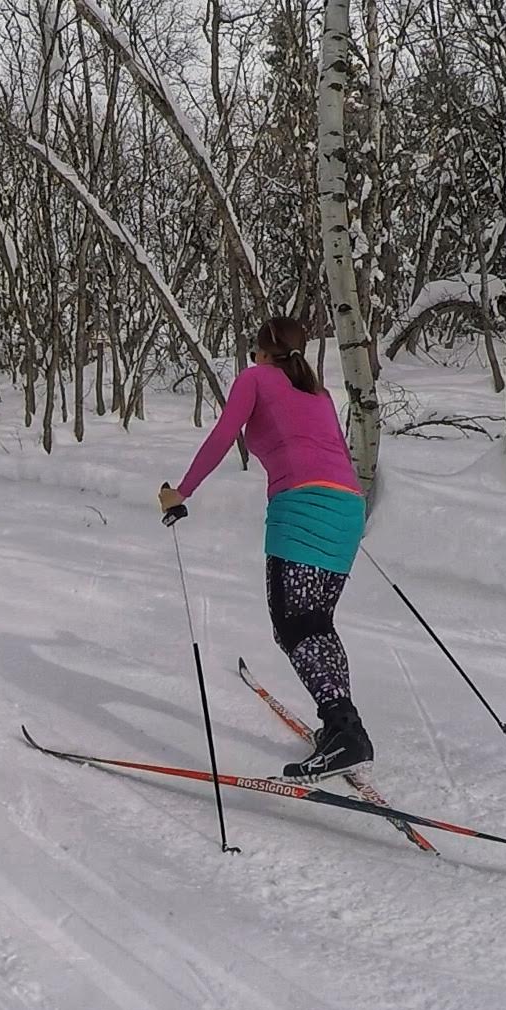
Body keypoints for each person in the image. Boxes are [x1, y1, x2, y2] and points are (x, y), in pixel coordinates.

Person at [158, 316, 372, 781]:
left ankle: (345, 731)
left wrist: (182, 492)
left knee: (294, 626)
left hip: (301, 509)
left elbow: (222, 436)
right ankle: (342, 727)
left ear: (260, 351)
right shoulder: (318, 394)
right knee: (315, 622)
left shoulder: (255, 378)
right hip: (347, 509)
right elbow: (334, 451)